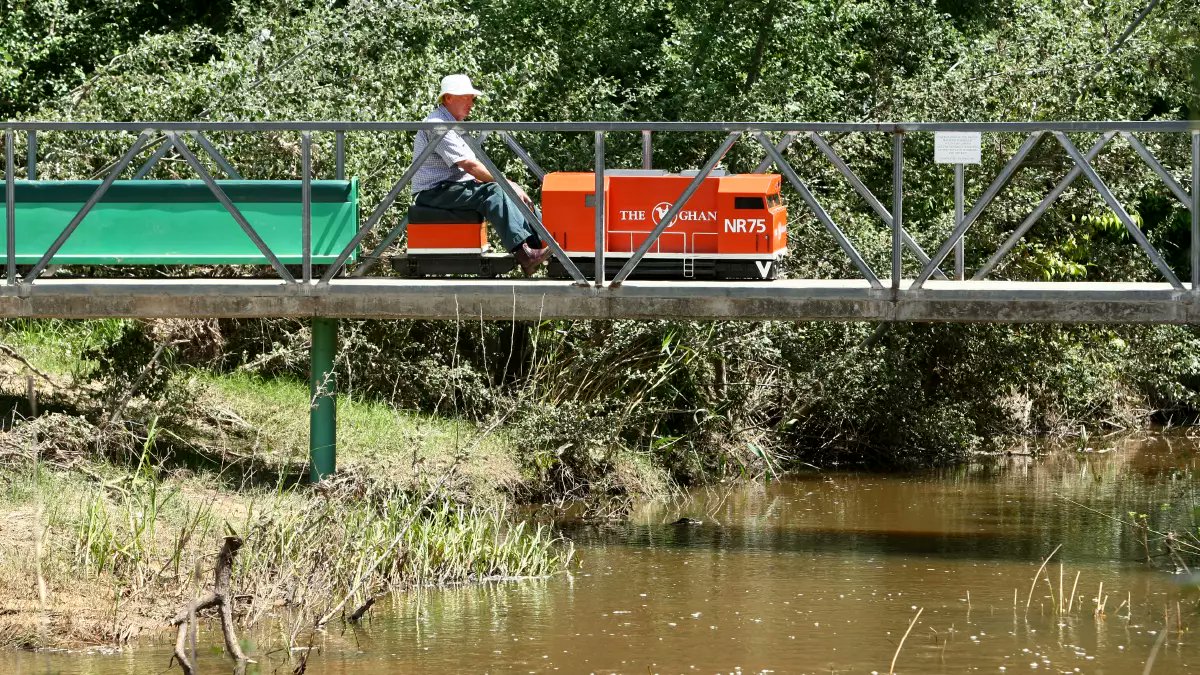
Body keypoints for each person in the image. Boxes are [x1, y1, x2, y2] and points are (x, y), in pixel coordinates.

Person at [411, 74, 551, 276]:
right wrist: (508, 184)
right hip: (434, 191)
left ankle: (550, 242)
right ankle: (525, 255)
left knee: (513, 195)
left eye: (472, 98)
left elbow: (471, 168)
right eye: (466, 97)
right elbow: (470, 165)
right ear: (448, 98)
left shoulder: (453, 124)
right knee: (495, 192)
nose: (471, 104)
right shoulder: (438, 124)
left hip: (450, 188)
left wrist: (510, 186)